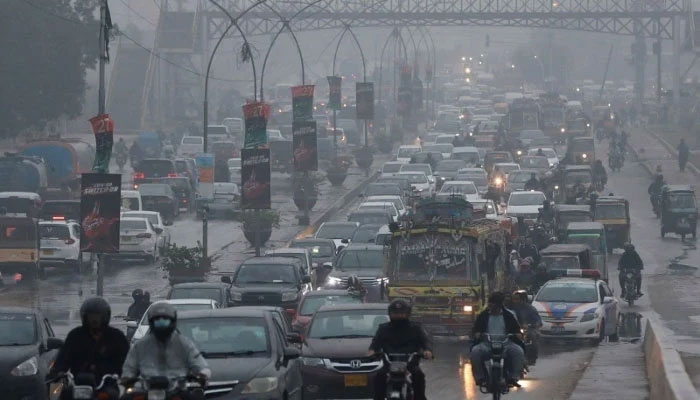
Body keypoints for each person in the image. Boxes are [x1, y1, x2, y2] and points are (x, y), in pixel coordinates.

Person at [121, 303, 210, 399]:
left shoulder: (184, 344)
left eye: (165, 320)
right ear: (151, 322)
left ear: (173, 321)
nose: (161, 323)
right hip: (147, 390)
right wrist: (127, 378)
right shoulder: (140, 345)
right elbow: (129, 367)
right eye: (157, 321)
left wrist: (202, 375)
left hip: (176, 390)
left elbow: (200, 364)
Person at [49, 297, 129, 383]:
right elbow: (63, 359)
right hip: (78, 383)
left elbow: (127, 362)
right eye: (91, 316)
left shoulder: (117, 336)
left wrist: (124, 376)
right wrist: (57, 373)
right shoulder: (75, 335)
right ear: (85, 317)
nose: (94, 320)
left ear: (105, 317)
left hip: (107, 383)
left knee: (113, 394)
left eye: (98, 316)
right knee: (64, 394)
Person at [369, 299, 432, 400]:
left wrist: (427, 350)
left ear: (408, 314)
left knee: (418, 376)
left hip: (410, 365)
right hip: (389, 365)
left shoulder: (415, 328)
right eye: (395, 313)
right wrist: (372, 351)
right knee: (379, 376)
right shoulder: (383, 328)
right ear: (390, 314)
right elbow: (376, 342)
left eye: (402, 313)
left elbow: (425, 341)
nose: (398, 315)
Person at [470, 292, 525, 387]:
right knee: (475, 352)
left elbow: (516, 330)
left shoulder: (509, 315)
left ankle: (513, 377)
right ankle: (480, 378)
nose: (490, 307)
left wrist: (517, 334)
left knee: (518, 351)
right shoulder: (483, 315)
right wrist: (477, 334)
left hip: (506, 344)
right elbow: (476, 330)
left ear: (499, 305)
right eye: (490, 305)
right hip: (486, 344)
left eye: (493, 305)